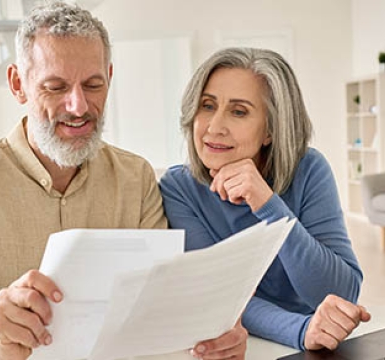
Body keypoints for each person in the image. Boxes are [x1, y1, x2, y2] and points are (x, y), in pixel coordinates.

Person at [0, 3, 246, 360]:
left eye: (93, 85)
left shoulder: (136, 178)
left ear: (109, 78)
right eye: (55, 87)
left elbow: (162, 302)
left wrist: (215, 332)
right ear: (18, 84)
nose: (79, 106)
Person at [159, 47, 371, 352]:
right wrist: (300, 330)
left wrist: (269, 206)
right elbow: (217, 293)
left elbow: (341, 293)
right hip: (242, 345)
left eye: (239, 111)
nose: (214, 127)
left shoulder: (309, 169)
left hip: (311, 345)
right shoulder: (179, 187)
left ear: (270, 129)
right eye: (207, 106)